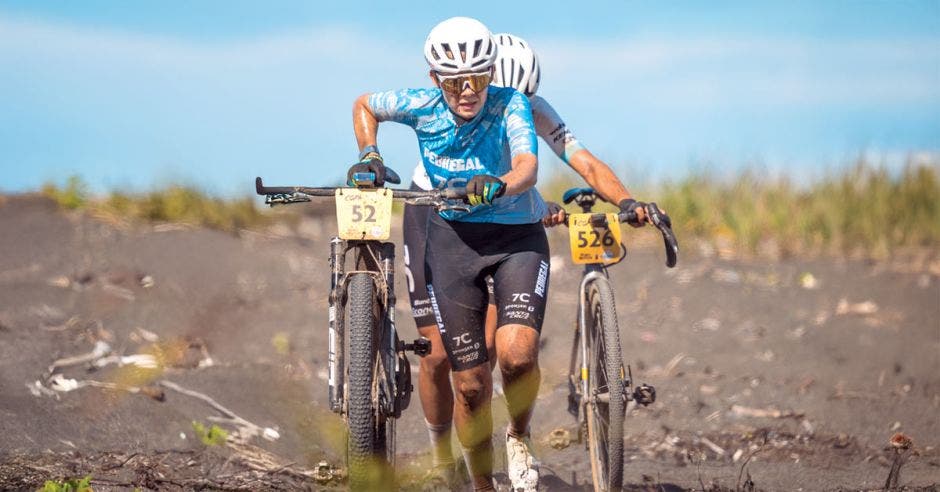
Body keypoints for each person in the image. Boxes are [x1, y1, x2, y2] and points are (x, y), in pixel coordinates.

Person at [400, 32, 655, 489]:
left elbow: (583, 162)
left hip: (504, 215)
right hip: (436, 208)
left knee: (505, 347)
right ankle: (443, 455)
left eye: (523, 100)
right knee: (438, 354)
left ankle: (510, 434)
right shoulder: (465, 97)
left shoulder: (533, 108)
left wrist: (627, 200)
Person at [348, 17, 550, 491]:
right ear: (434, 79)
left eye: (478, 78)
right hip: (453, 244)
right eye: (455, 81)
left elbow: (528, 164)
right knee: (471, 385)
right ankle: (481, 485)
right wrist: (370, 153)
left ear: (490, 73)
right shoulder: (418, 105)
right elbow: (364, 104)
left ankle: (519, 436)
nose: (467, 90)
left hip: (515, 239)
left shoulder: (510, 105)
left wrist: (500, 183)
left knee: (517, 355)